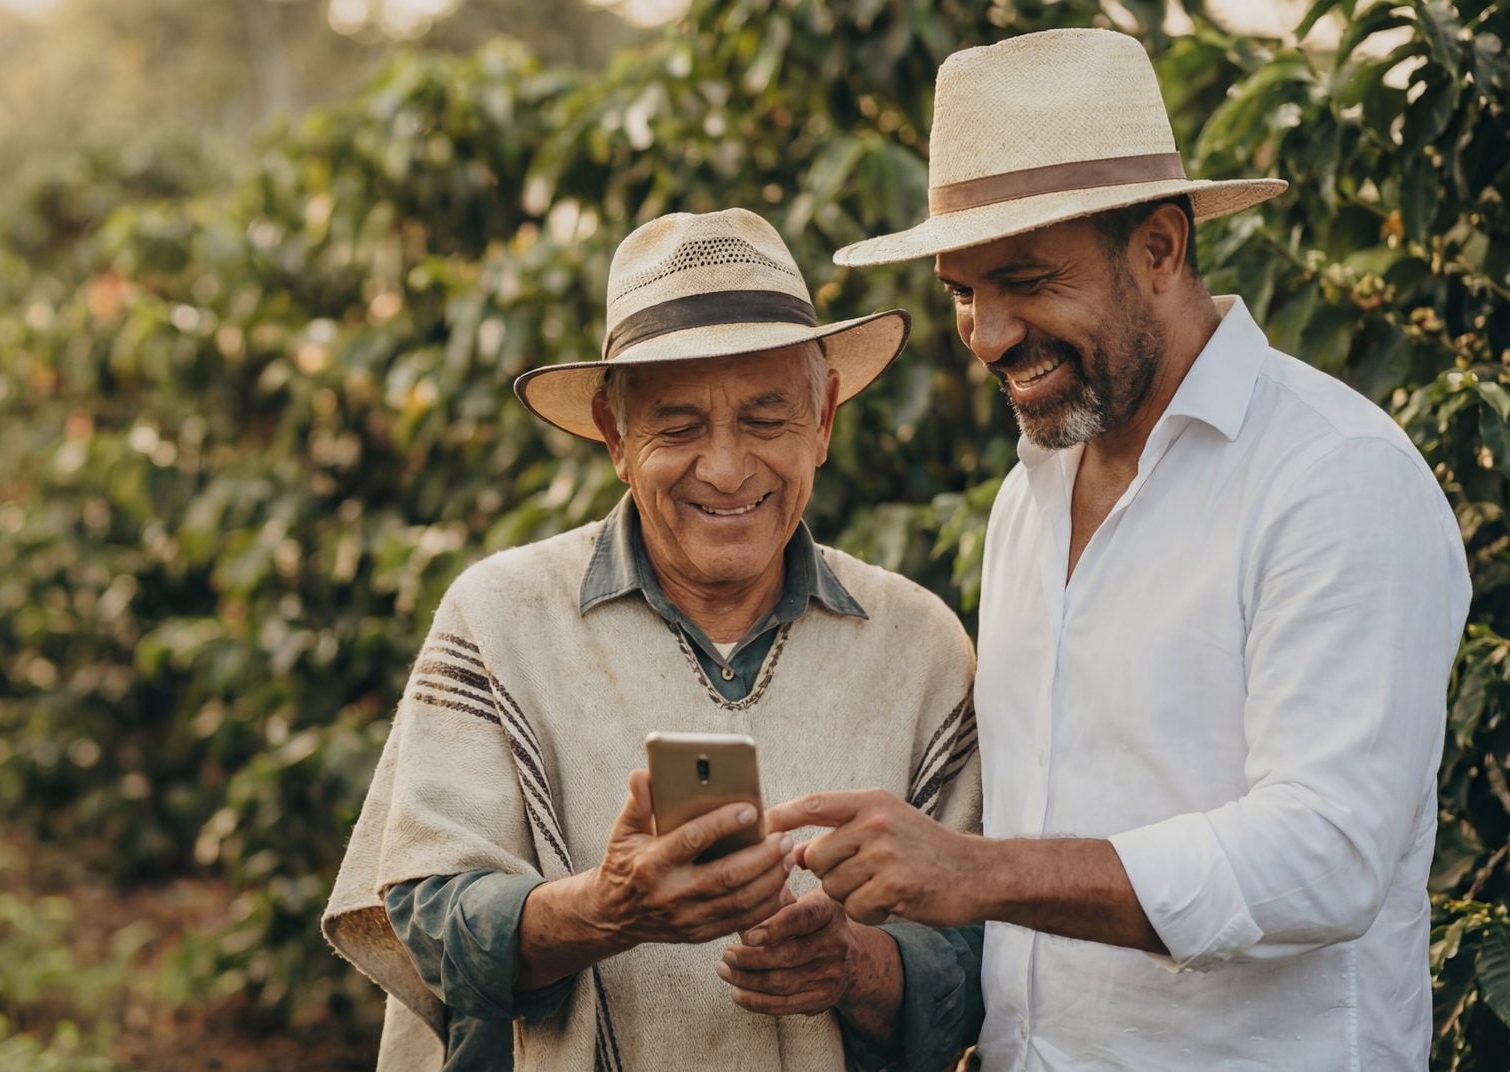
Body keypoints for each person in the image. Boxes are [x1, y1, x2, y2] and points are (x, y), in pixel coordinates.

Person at [764, 27, 1473, 1071]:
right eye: (962, 291)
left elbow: (1328, 854)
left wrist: (977, 872)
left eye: (1025, 279)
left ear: (1160, 248)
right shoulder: (1029, 498)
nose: (987, 334)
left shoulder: (1333, 475)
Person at [322, 208, 982, 1071]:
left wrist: (855, 964)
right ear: (615, 436)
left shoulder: (921, 647)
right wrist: (606, 909)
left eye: (766, 419)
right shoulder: (499, 618)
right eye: (678, 426)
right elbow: (428, 921)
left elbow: (981, 958)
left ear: (822, 419)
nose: (726, 468)